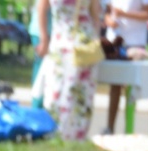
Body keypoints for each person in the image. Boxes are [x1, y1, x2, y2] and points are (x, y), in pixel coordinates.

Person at [36, 0, 103, 140]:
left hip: (63, 41)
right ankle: (75, 135)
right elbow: (96, 15)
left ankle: (59, 134)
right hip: (83, 42)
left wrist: (44, 38)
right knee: (80, 94)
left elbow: (41, 8)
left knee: (58, 91)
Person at [101, 0, 148, 129]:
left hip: (134, 43)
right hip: (114, 42)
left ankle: (128, 129)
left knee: (130, 87)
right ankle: (109, 128)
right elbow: (108, 12)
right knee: (115, 85)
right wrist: (109, 21)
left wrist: (124, 14)